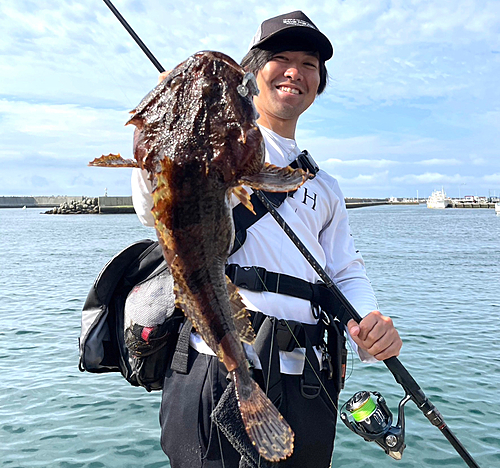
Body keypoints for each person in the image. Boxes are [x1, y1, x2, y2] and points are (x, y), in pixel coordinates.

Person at [131, 10, 402, 468]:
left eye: (309, 64)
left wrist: (370, 325)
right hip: (213, 369)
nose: (295, 71)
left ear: (319, 84)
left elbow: (345, 271)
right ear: (252, 73)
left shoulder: (324, 186)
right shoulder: (203, 149)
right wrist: (158, 120)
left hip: (310, 381)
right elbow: (149, 206)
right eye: (280, 57)